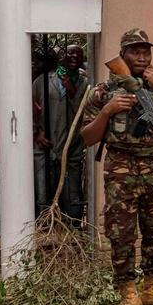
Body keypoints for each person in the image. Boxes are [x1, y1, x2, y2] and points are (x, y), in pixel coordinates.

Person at [80, 29, 153, 305]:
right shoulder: (102, 92)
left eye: (146, 51)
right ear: (123, 54)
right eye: (135, 51)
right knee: (121, 233)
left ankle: (151, 288)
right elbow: (87, 138)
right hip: (120, 170)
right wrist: (107, 111)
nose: (142, 56)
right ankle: (129, 296)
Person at [32, 43, 89, 219]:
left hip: (71, 147)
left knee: (71, 194)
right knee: (43, 192)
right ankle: (44, 228)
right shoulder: (43, 80)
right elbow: (28, 109)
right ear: (60, 56)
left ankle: (74, 229)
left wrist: (71, 90)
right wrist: (37, 132)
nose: (74, 57)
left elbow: (85, 113)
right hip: (44, 148)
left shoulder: (86, 83)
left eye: (78, 54)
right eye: (70, 52)